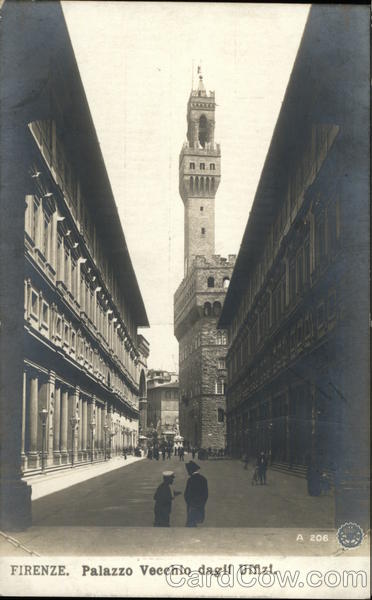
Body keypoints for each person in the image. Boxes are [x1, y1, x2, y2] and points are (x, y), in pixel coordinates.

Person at [184, 460, 208, 527]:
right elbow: (205, 494)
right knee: (197, 521)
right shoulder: (203, 479)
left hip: (192, 506)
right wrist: (202, 504)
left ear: (191, 471)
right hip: (200, 505)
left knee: (190, 523)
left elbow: (186, 495)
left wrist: (190, 504)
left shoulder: (190, 480)